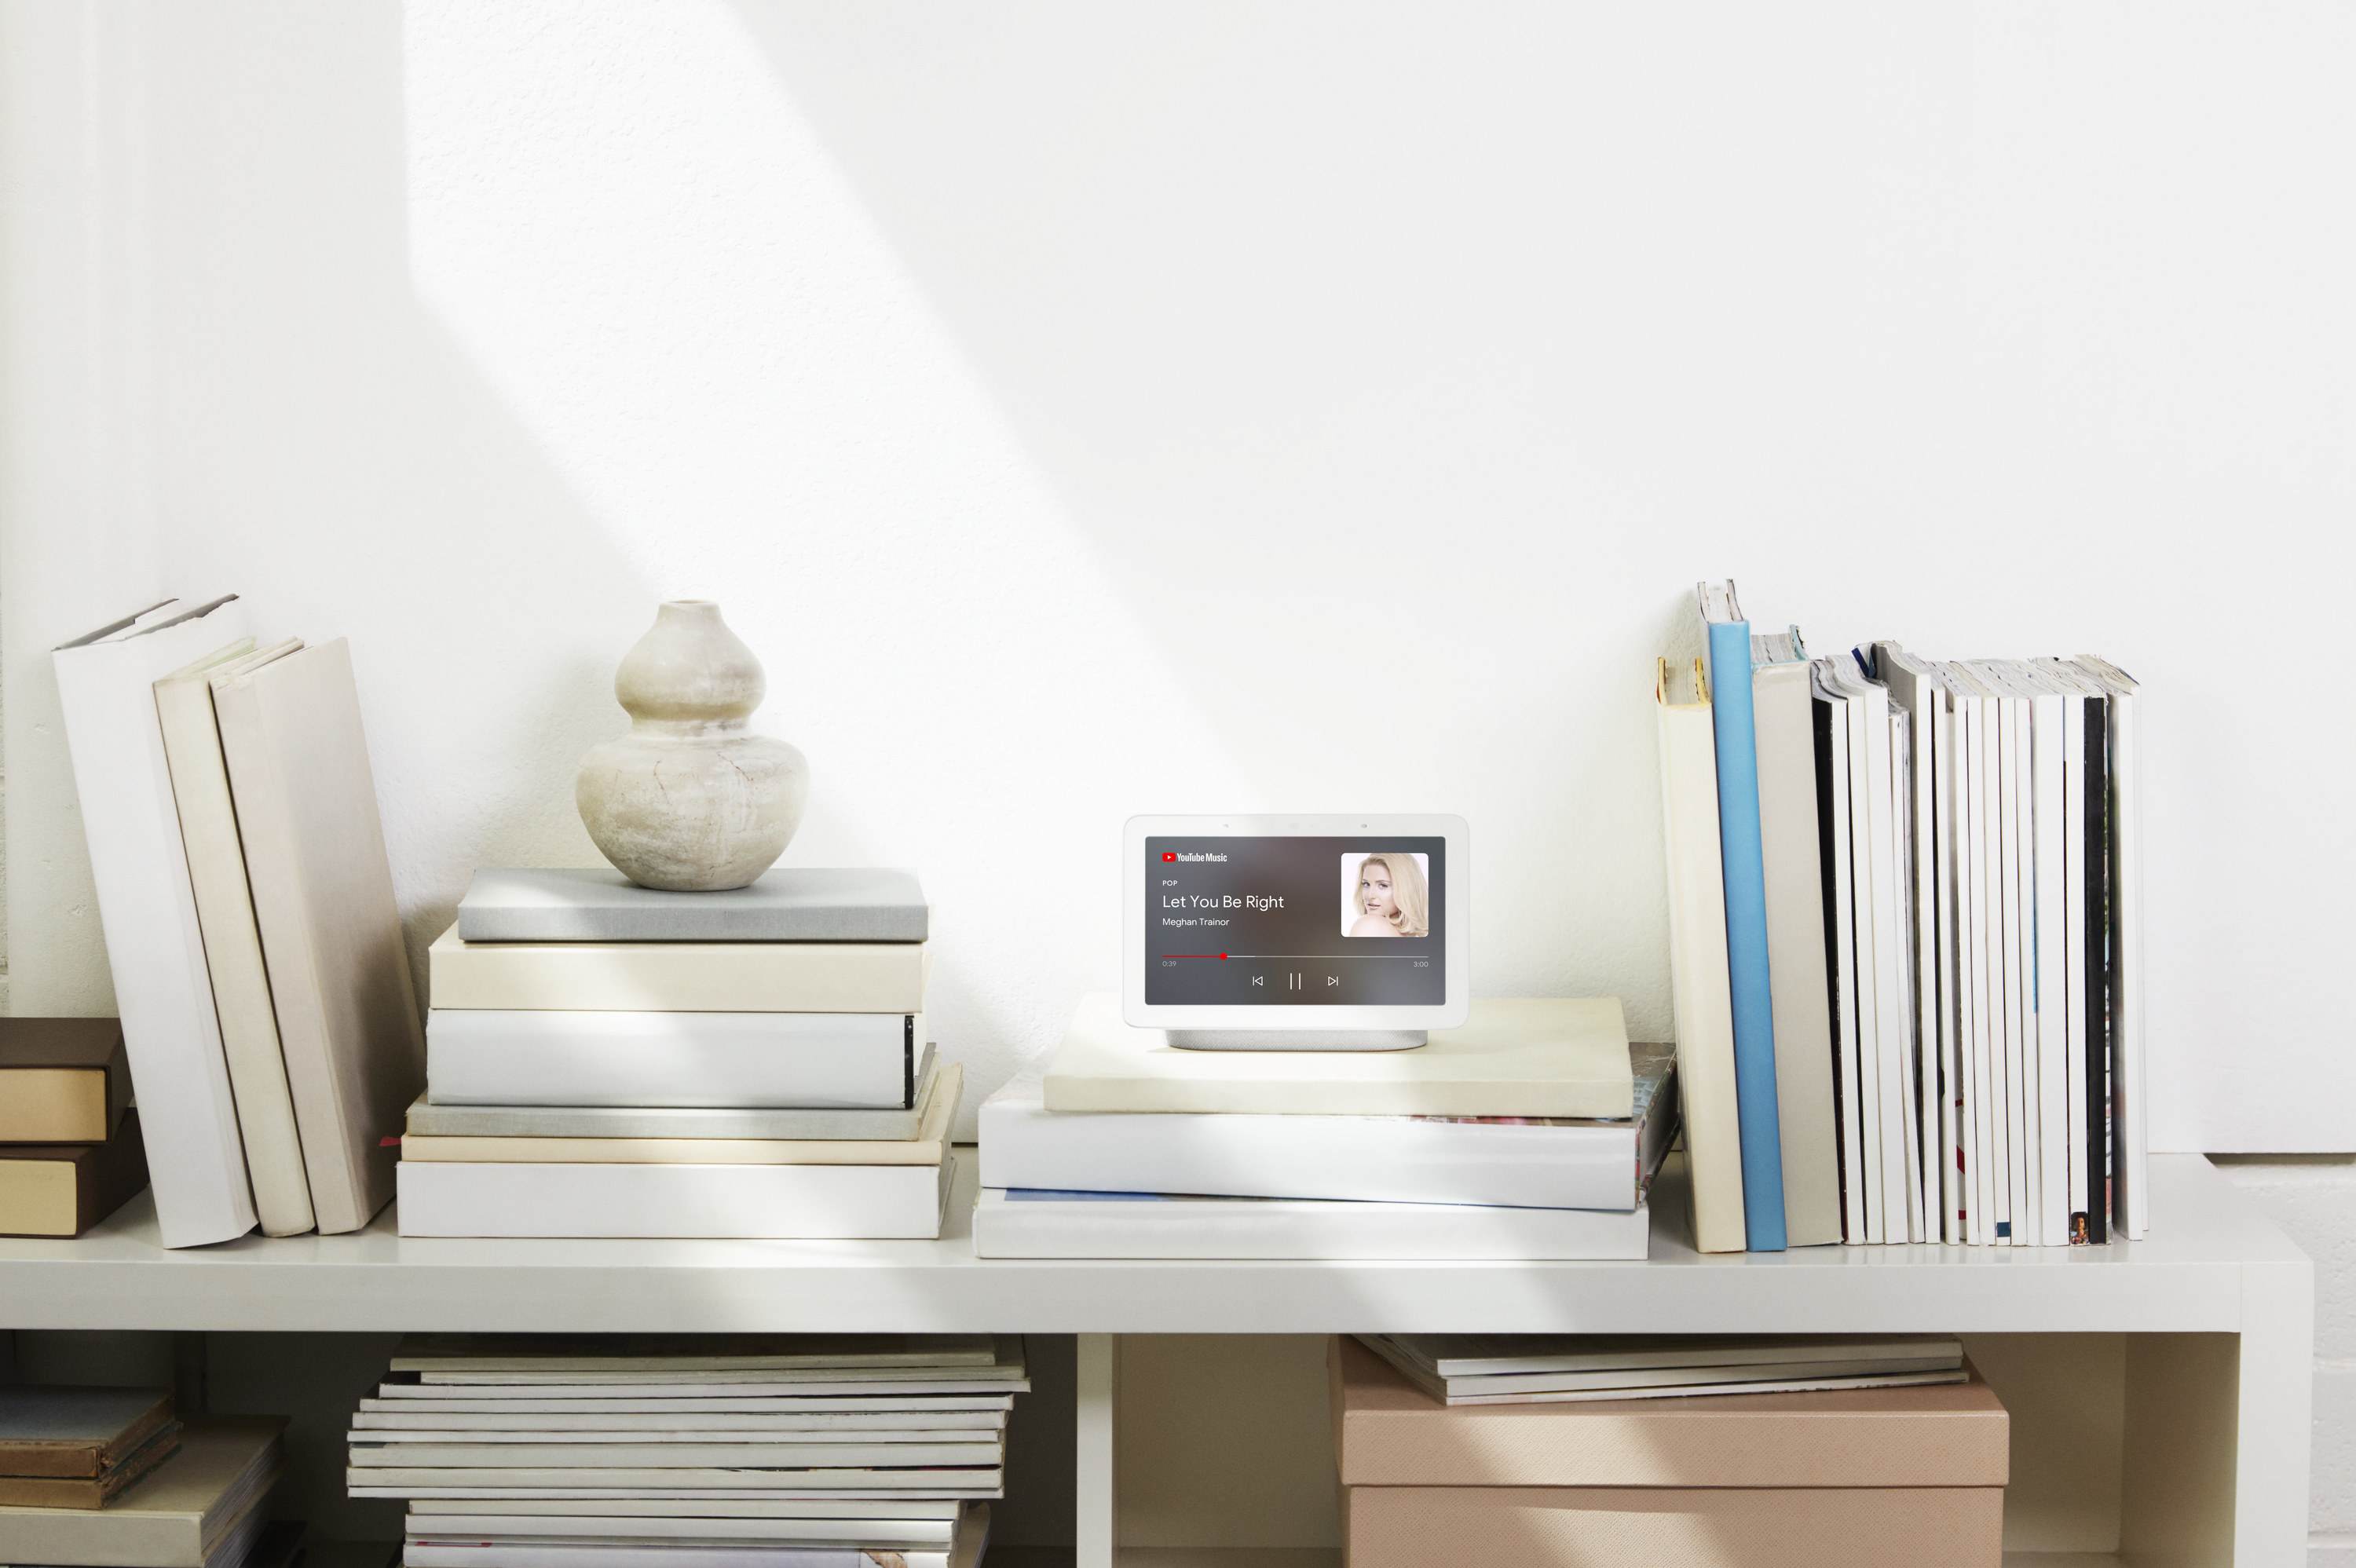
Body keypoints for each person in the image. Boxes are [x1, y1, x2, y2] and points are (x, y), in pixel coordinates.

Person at [1348, 852, 1429, 938]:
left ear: (1406, 890)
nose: (1369, 895)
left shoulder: (1368, 925)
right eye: (1366, 884)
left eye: (1383, 885)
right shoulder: (1411, 935)